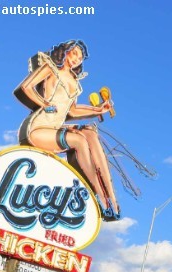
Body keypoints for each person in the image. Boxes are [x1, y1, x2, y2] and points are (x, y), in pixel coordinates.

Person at [14, 40, 121, 221]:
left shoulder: (76, 83)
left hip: (55, 129)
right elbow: (25, 88)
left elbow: (72, 111)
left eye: (80, 58)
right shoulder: (50, 68)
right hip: (38, 129)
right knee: (79, 140)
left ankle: (110, 199)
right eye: (74, 54)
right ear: (65, 51)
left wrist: (98, 110)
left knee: (90, 134)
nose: (76, 60)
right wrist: (45, 104)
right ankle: (92, 191)